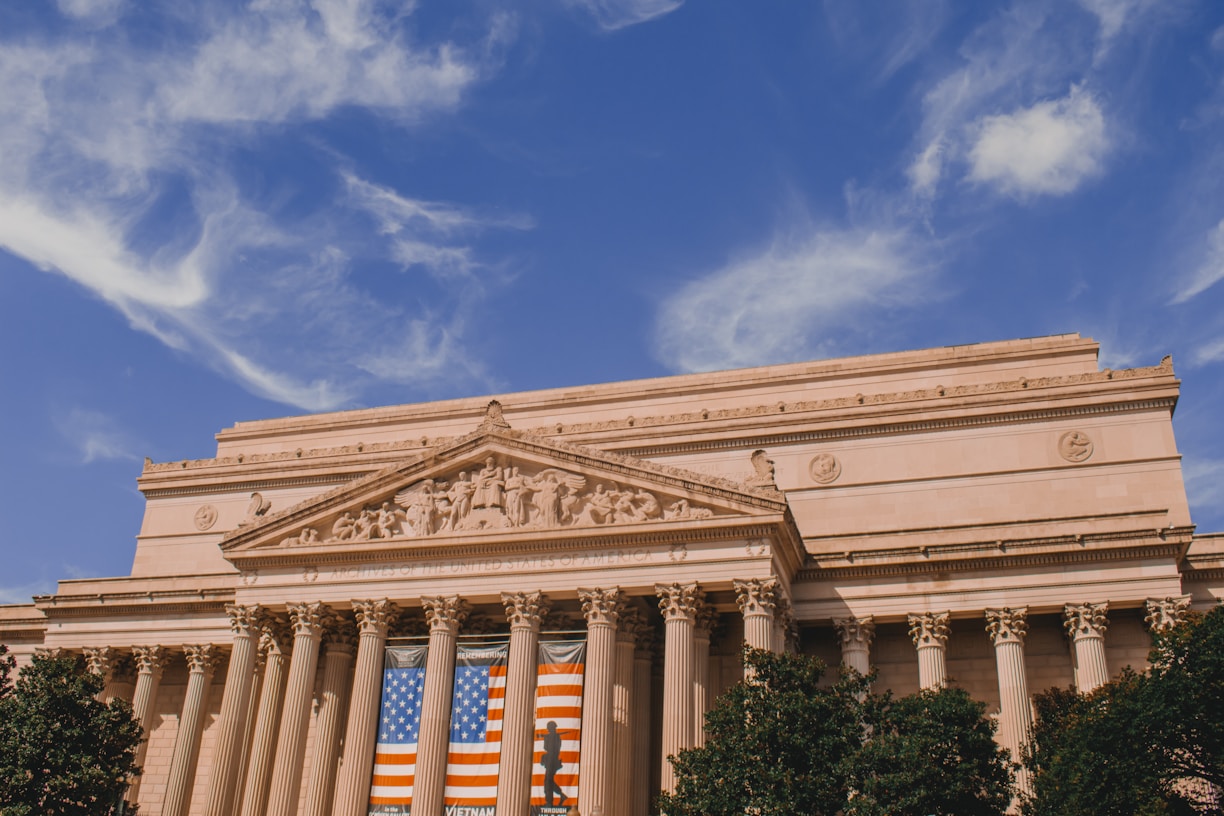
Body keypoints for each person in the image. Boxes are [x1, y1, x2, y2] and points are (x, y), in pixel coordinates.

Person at [541, 720, 567, 807]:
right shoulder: (554, 737)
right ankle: (559, 796)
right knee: (548, 781)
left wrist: (547, 738)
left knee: (548, 781)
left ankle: (549, 801)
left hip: (552, 761)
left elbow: (549, 748)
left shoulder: (556, 738)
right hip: (550, 761)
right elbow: (546, 748)